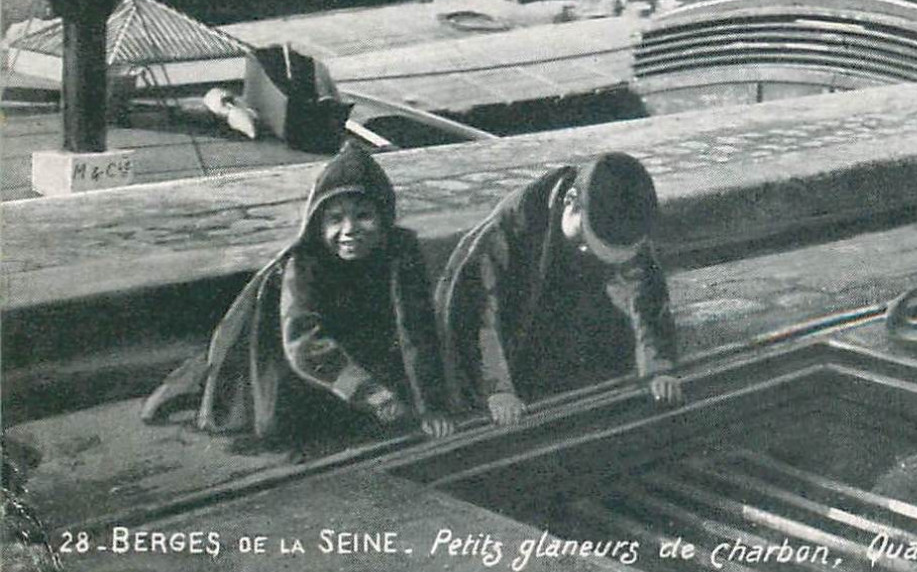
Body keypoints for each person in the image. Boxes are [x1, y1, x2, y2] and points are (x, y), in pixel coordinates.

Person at [140, 143, 454, 447]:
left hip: (351, 348)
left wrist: (432, 405)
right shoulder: (303, 264)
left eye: (363, 215)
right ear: (318, 224)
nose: (349, 230)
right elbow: (304, 343)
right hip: (288, 358)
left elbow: (417, 328)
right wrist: (370, 393)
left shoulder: (401, 252)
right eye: (335, 219)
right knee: (282, 425)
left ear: (384, 218)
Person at [435, 152, 682, 427]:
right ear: (570, 203)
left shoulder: (625, 219)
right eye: (586, 246)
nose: (593, 257)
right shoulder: (512, 226)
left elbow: (647, 300)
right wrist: (497, 390)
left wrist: (658, 370)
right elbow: (477, 316)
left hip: (577, 334)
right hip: (516, 336)